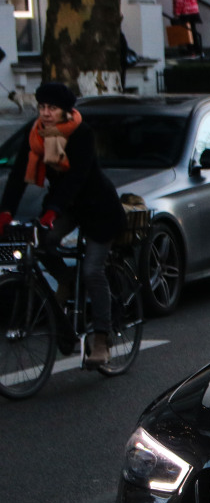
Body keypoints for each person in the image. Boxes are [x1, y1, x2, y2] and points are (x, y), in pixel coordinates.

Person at [0, 82, 127, 368]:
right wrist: (5, 212)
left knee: (93, 270)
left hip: (99, 209)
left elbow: (76, 177)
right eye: (42, 107)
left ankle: (101, 338)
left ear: (66, 111)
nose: (45, 113)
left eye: (52, 108)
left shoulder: (82, 134)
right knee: (43, 243)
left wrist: (53, 210)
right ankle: (67, 281)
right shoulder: (36, 135)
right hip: (68, 207)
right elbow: (19, 175)